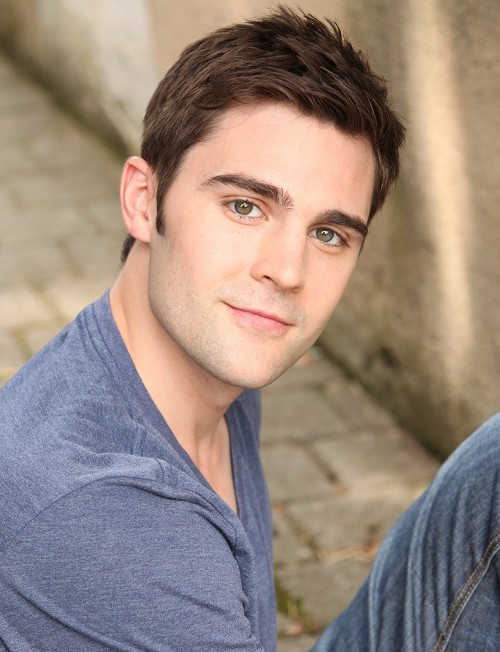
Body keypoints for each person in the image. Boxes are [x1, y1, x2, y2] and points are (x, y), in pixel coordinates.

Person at [2, 5, 499, 651]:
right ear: (143, 200)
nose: (287, 271)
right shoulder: (108, 518)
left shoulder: (203, 355)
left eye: (328, 233)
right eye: (245, 206)